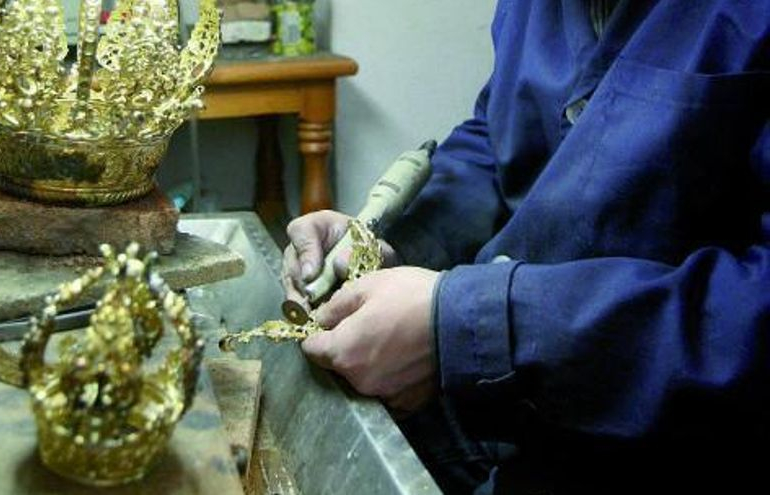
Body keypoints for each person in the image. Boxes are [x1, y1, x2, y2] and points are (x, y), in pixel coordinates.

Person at [281, 0, 770, 493]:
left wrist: (470, 327)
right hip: (521, 410)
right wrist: (390, 244)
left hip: (680, 446)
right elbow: (498, 147)